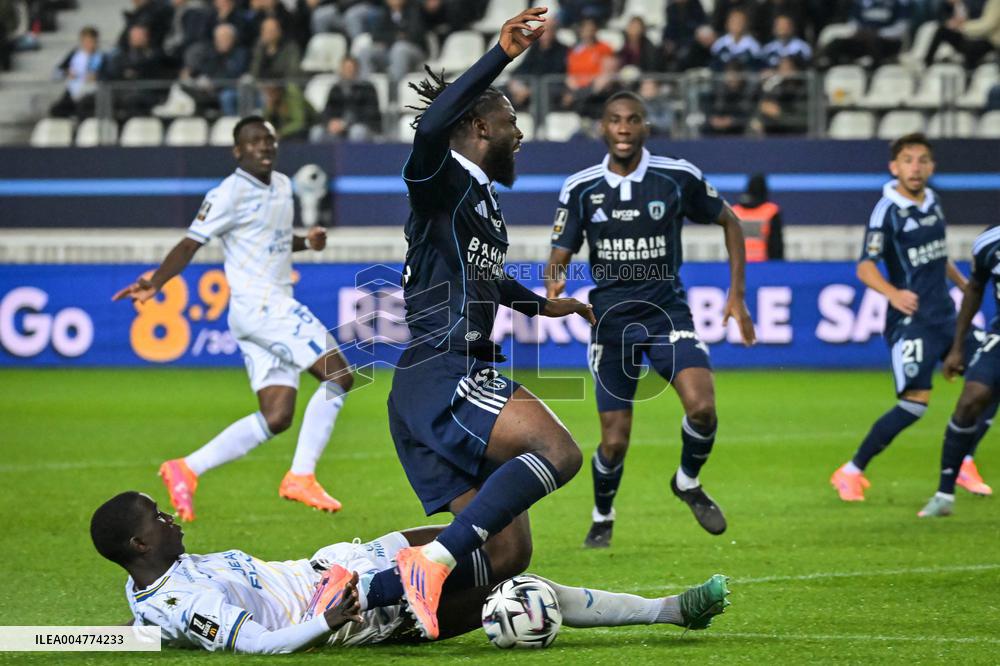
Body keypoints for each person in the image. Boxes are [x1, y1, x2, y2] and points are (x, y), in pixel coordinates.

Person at [370, 6, 595, 642]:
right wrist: (500, 53)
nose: (519, 134)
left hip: (432, 382)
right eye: (510, 122)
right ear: (477, 125)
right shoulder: (438, 177)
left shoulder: (480, 200)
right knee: (557, 451)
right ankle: (419, 567)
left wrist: (538, 305)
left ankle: (371, 617)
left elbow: (485, 278)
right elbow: (429, 132)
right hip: (443, 370)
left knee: (507, 556)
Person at [90, 491, 732, 652]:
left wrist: (94, 633)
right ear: (138, 541)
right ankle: (673, 610)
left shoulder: (152, 582)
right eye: (159, 516)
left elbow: (147, 616)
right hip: (360, 608)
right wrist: (325, 619)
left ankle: (501, 461)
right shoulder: (182, 600)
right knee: (516, 582)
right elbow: (254, 642)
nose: (173, 517)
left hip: (342, 561)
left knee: (487, 522)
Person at [113, 117, 353, 521]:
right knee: (341, 376)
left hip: (257, 315)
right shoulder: (227, 194)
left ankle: (187, 468)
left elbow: (271, 239)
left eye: (270, 140)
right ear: (237, 151)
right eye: (254, 142)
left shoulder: (280, 185)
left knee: (277, 416)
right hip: (265, 307)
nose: (264, 147)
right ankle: (301, 475)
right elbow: (191, 243)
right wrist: (156, 282)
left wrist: (306, 243)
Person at [545, 90, 756, 549]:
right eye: (616, 120)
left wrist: (736, 294)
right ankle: (602, 515)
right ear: (603, 127)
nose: (624, 128)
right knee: (614, 442)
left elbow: (732, 223)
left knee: (702, 407)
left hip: (667, 315)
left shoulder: (676, 177)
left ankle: (687, 480)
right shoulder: (580, 187)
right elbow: (560, 252)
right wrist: (554, 282)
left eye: (633, 119)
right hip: (612, 324)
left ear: (645, 127)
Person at [830, 133, 994, 502]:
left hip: (949, 317)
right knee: (914, 404)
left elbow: (938, 255)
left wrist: (964, 283)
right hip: (913, 322)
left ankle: (965, 461)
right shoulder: (886, 210)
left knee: (991, 380)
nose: (916, 168)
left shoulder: (933, 201)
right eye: (908, 160)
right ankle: (851, 471)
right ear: (894, 167)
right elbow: (865, 267)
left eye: (922, 160)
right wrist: (893, 293)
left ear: (932, 167)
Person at [918, 223, 1000, 517]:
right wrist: (957, 347)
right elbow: (974, 290)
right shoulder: (989, 242)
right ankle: (944, 494)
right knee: (970, 399)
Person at [316, 55, 382, 141]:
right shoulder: (336, 89)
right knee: (317, 132)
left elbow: (370, 114)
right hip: (339, 127)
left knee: (357, 131)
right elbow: (328, 110)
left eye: (351, 68)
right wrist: (329, 123)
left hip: (363, 126)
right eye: (345, 68)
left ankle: (356, 154)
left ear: (357, 69)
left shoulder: (367, 88)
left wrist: (346, 124)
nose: (348, 71)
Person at [49, 26, 104, 118]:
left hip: (91, 93)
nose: (88, 44)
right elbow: (56, 73)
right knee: (56, 110)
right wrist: (67, 73)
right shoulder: (74, 55)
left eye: (91, 41)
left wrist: (97, 76)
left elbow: (108, 76)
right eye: (85, 41)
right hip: (72, 92)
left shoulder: (101, 57)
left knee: (84, 108)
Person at [731, 173, 783, 261]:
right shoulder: (771, 211)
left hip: (739, 263)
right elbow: (776, 244)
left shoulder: (734, 211)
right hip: (763, 265)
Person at [709, 7, 761, 71]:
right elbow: (714, 66)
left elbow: (756, 69)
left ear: (746, 24)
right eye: (733, 21)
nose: (736, 24)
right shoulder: (719, 44)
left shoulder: (753, 46)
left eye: (740, 21)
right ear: (727, 23)